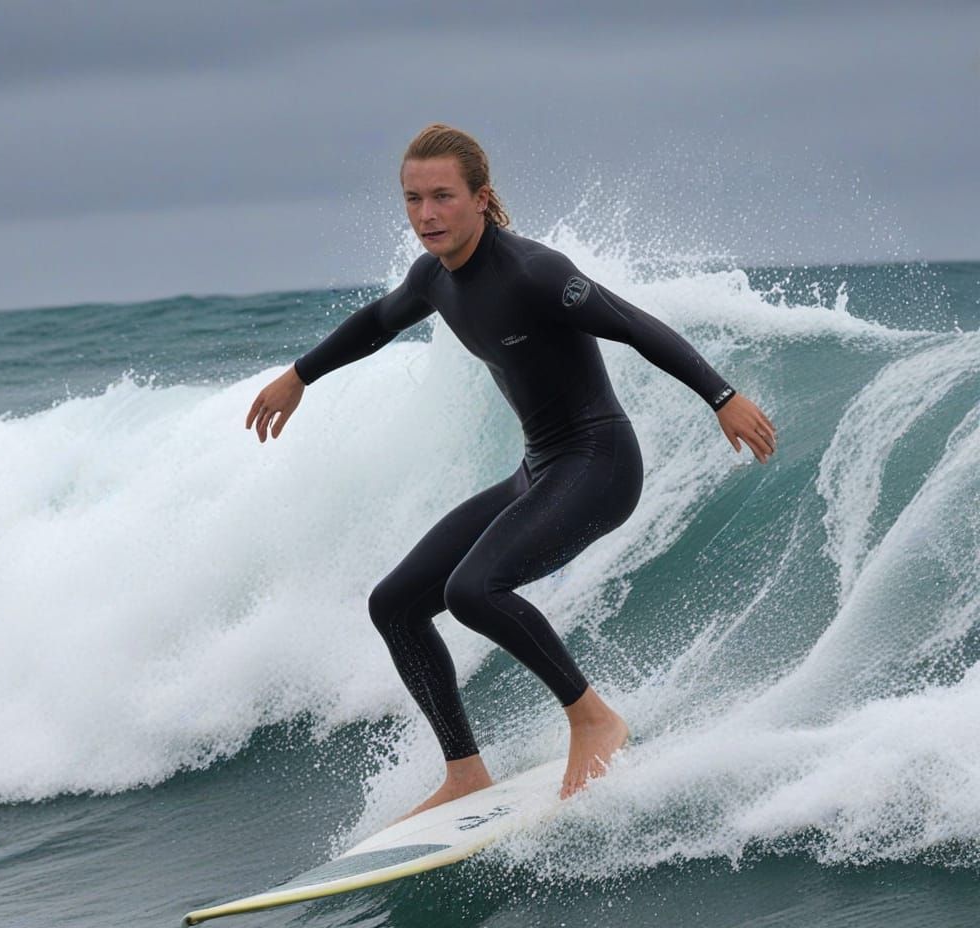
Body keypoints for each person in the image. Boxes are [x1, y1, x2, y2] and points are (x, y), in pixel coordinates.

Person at [247, 124, 776, 818]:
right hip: (540, 469)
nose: (427, 215)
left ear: (481, 198)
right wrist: (299, 376)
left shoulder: (534, 272)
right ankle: (465, 772)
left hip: (600, 464)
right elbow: (376, 321)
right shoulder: (434, 279)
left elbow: (635, 324)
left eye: (442, 197)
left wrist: (722, 397)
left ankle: (593, 719)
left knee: (473, 590)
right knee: (396, 605)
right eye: (413, 200)